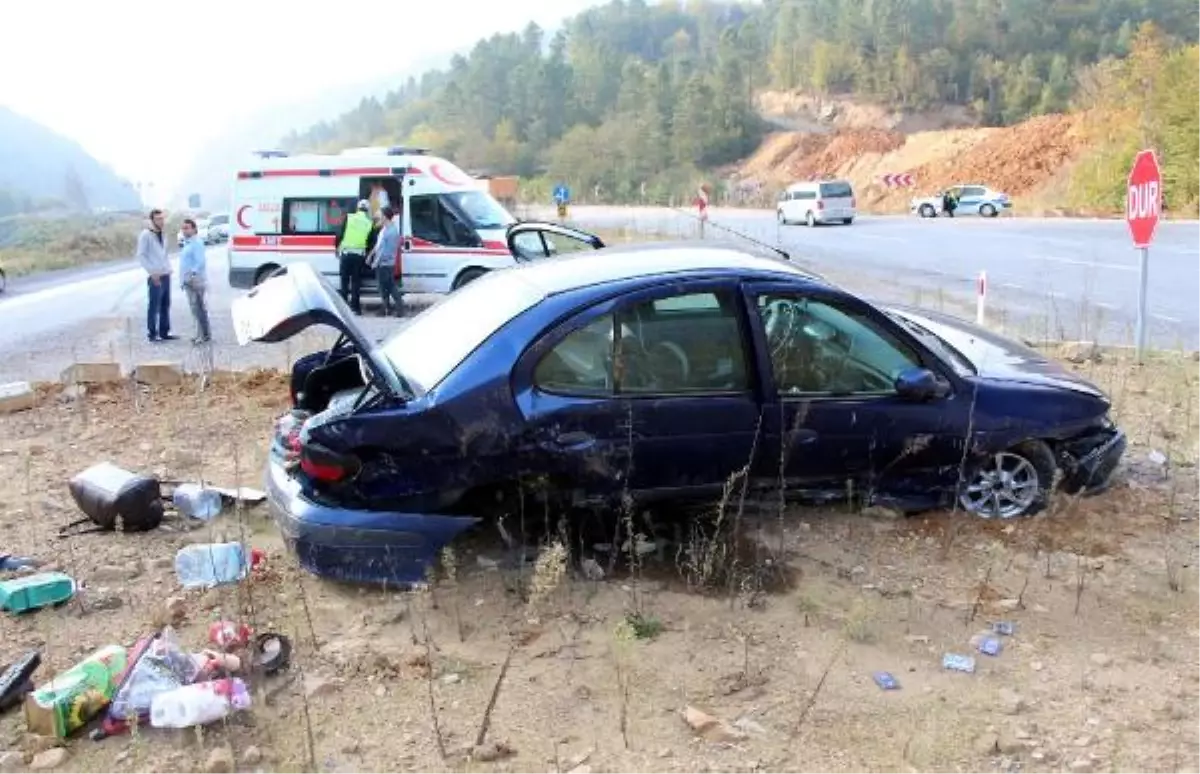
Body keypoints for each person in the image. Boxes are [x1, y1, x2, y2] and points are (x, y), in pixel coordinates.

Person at [136, 208, 175, 342]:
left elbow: (163, 254)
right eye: (158, 219)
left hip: (165, 273)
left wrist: (168, 268)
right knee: (154, 305)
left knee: (165, 303)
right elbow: (141, 255)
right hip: (155, 275)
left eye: (162, 218)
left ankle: (164, 331)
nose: (161, 221)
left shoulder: (163, 234)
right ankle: (152, 332)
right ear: (152, 220)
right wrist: (152, 272)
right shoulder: (146, 235)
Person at [334, 199, 372, 313]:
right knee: (356, 282)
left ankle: (344, 308)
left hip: (346, 254)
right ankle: (356, 308)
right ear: (367, 210)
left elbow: (340, 234)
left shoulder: (349, 217)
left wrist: (336, 247)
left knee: (344, 282)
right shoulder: (369, 222)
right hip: (359, 256)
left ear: (358, 208)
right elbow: (370, 241)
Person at [178, 218, 211, 343]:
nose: (184, 230)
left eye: (187, 228)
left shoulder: (197, 243)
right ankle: (201, 334)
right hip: (188, 280)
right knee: (195, 308)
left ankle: (202, 335)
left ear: (194, 229)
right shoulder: (187, 243)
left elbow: (200, 261)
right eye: (183, 228)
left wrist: (193, 274)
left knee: (197, 308)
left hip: (195, 280)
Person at [368, 205, 404, 317]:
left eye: (380, 214)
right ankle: (388, 309)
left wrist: (376, 262)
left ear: (385, 216)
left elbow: (385, 251)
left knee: (389, 287)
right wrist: (370, 255)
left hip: (385, 264)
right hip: (383, 263)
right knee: (384, 287)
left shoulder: (391, 232)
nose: (378, 216)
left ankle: (397, 308)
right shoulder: (385, 229)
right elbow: (379, 246)